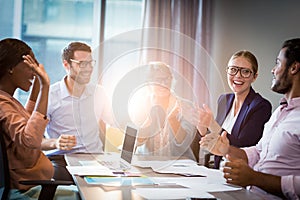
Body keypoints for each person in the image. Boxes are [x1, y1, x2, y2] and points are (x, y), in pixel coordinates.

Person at [200, 38, 300, 199]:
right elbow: (259, 151)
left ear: (294, 67)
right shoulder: (280, 112)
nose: (273, 70)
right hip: (244, 190)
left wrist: (255, 178)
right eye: (233, 69)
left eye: (278, 63)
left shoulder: (262, 106)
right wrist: (226, 150)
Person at [0, 38, 78, 199]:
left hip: (34, 186)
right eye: (31, 65)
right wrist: (45, 86)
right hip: (25, 192)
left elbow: (26, 122)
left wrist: (37, 89)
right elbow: (30, 138)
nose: (34, 71)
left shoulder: (8, 100)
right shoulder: (2, 104)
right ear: (10, 68)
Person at [42, 42, 112, 182]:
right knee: (68, 183)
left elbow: (118, 122)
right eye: (82, 64)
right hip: (61, 159)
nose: (88, 69)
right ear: (66, 65)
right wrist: (55, 142)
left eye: (90, 63)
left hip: (95, 158)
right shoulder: (50, 95)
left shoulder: (99, 93)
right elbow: (34, 140)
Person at [198, 50, 272, 169]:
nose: (238, 76)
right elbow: (215, 141)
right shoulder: (224, 100)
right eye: (233, 69)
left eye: (245, 71)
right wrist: (203, 128)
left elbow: (243, 147)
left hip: (240, 174)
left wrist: (212, 124)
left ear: (254, 77)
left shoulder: (261, 106)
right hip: (218, 172)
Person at [129, 61, 197, 160]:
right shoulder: (139, 105)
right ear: (149, 83)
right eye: (158, 80)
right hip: (147, 163)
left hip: (179, 164)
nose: (164, 84)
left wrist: (173, 120)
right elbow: (134, 142)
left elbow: (185, 143)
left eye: (167, 79)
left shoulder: (186, 105)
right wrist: (149, 120)